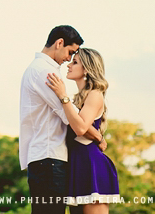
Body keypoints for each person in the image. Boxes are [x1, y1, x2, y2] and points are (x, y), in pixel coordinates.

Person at [20, 25, 104, 214]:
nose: (68, 59)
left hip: (47, 158)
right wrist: (98, 136)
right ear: (59, 43)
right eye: (70, 52)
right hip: (49, 157)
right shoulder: (45, 72)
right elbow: (71, 116)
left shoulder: (40, 69)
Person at [46, 48, 120, 212]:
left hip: (91, 165)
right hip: (77, 165)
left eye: (75, 62)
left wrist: (62, 96)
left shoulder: (95, 94)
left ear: (86, 69)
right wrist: (98, 136)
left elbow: (80, 128)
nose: (68, 65)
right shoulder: (77, 100)